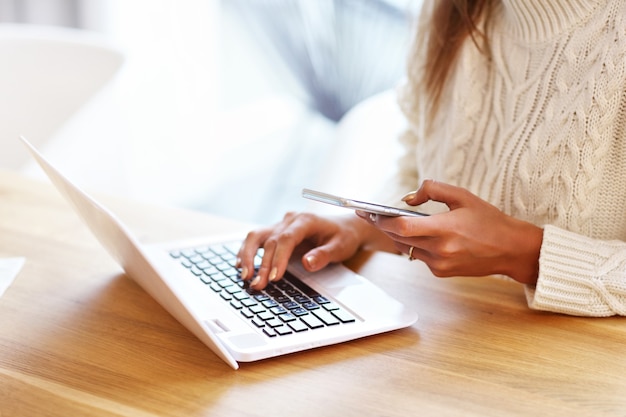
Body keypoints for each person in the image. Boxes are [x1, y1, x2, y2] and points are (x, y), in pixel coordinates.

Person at [236, 0, 626, 317]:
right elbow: (416, 181)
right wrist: (360, 231)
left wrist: (525, 254)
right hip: (446, 340)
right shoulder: (449, 12)